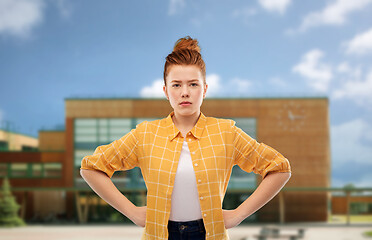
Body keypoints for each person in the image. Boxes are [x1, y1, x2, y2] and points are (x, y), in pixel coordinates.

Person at [80, 36, 291, 240]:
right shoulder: (145, 134)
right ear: (165, 91)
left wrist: (238, 214)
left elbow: (279, 168)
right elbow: (91, 168)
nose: (185, 92)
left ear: (205, 89)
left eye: (193, 84)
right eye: (176, 85)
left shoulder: (226, 132)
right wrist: (132, 212)